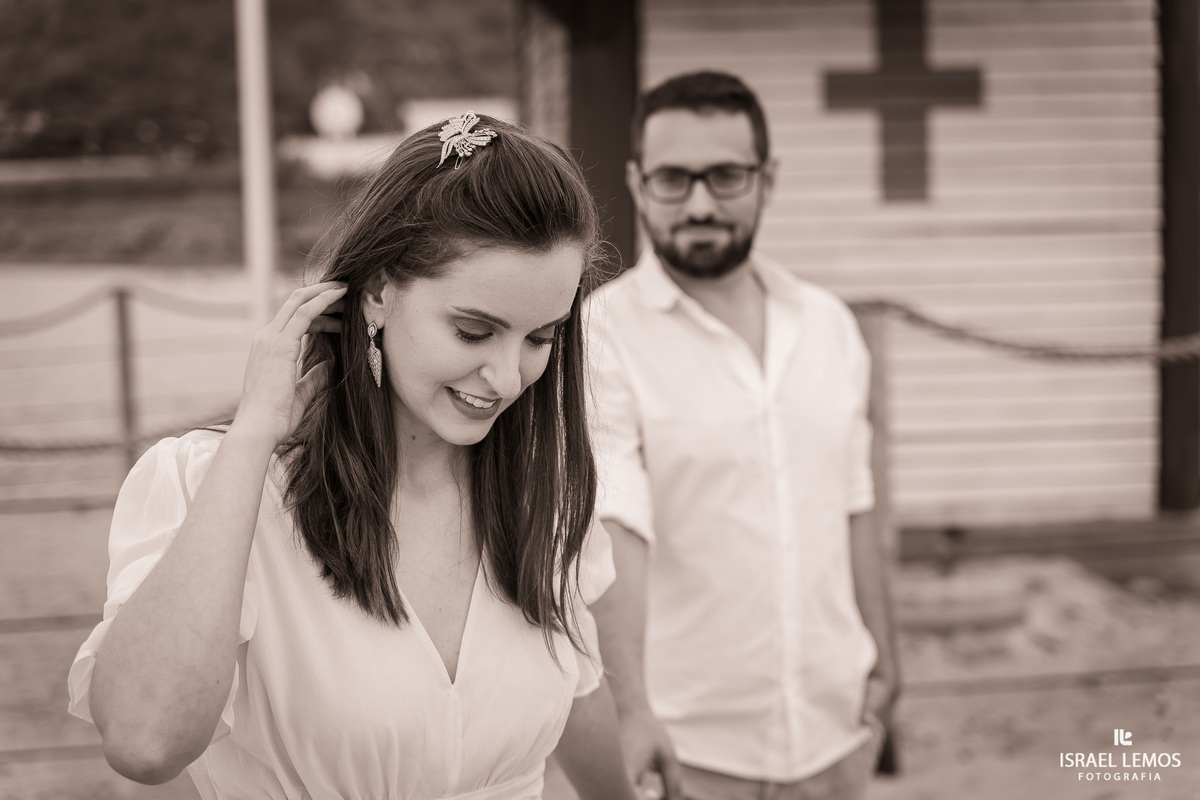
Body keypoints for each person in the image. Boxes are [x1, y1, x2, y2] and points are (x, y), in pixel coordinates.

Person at [67, 113, 637, 800]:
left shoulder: (540, 495)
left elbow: (574, 687)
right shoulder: (213, 485)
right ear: (378, 294)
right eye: (473, 330)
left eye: (540, 339)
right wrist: (253, 434)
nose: (508, 378)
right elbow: (144, 741)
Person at [586, 72, 900, 800]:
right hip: (690, 751)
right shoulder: (602, 337)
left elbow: (854, 502)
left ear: (768, 179)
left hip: (838, 732)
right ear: (637, 183)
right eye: (673, 179)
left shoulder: (828, 325)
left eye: (726, 176)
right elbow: (612, 531)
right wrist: (630, 711)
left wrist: (885, 659)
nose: (699, 203)